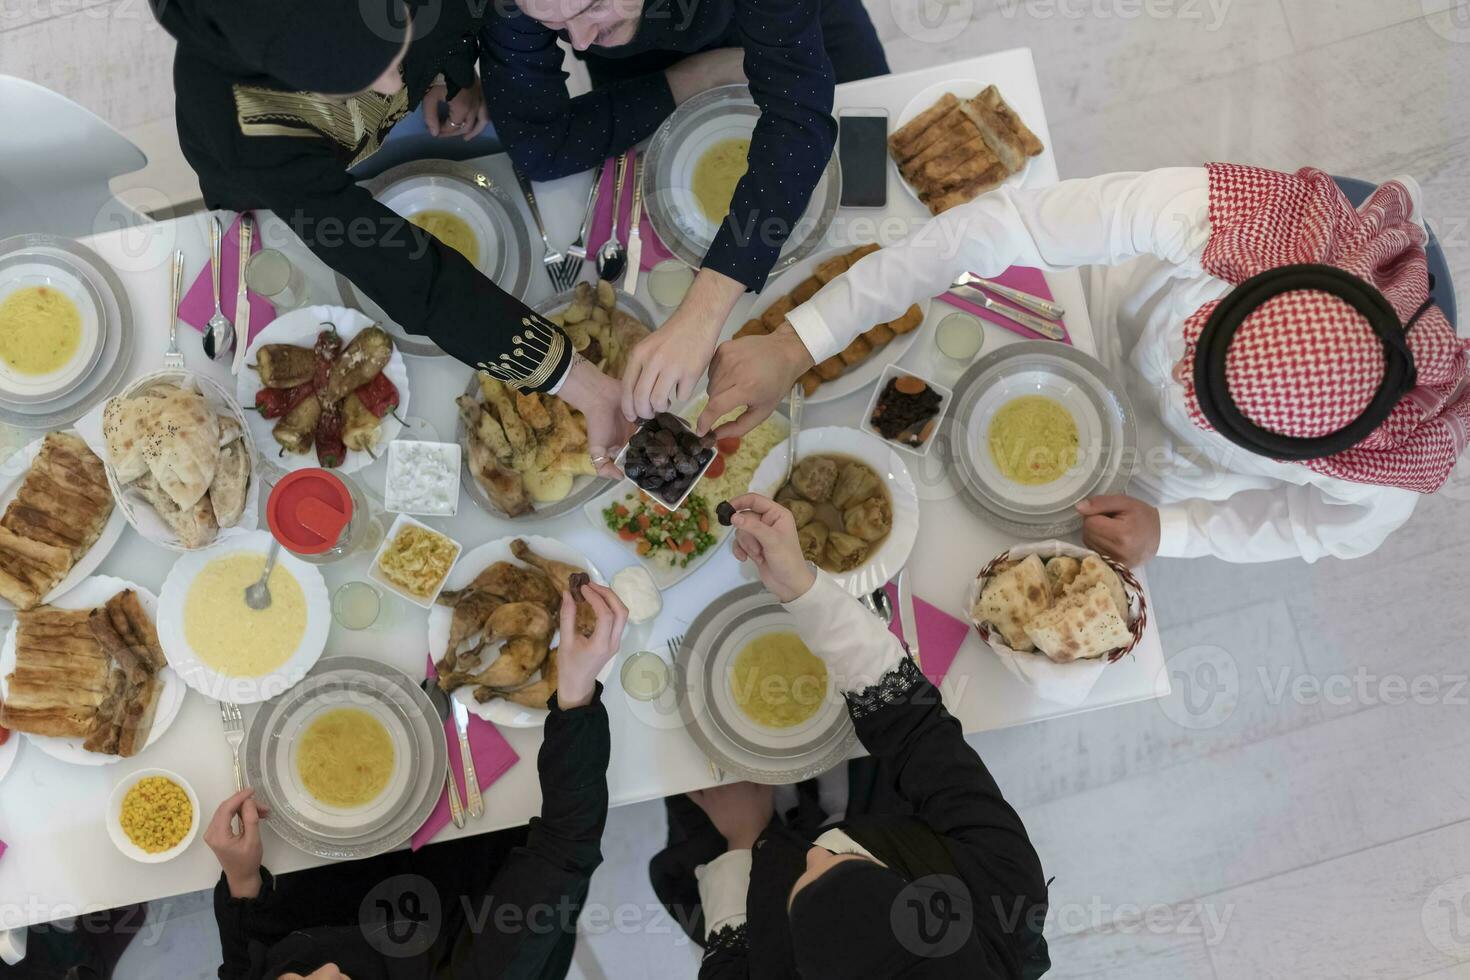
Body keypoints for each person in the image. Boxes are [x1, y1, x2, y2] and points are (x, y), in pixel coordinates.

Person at [700, 164, 1469, 565]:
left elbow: (1307, 528)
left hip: (1165, 476)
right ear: (1255, 282)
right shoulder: (1230, 219)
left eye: (1203, 398)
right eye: (1198, 351)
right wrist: (801, 339)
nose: (1179, 381)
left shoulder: (1380, 474)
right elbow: (1001, 227)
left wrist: (1176, 533)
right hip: (1097, 318)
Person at [149, 0, 629, 472]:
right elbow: (408, 274)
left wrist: (446, 70)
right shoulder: (242, 131)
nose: (393, 83)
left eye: (397, 46)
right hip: (279, 191)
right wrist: (580, 383)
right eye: (354, 80)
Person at [650, 493, 1051, 979]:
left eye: (806, 880)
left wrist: (744, 838)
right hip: (903, 823)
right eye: (853, 866)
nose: (816, 850)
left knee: (690, 769)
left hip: (753, 860)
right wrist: (802, 588)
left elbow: (733, 949)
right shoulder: (1006, 884)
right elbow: (915, 726)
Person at [479, 0, 889, 420]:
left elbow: (798, 123)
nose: (578, 39)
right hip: (650, 69)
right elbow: (540, 148)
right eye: (552, 23)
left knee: (876, 188)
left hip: (796, 31)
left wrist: (702, 312)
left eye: (593, 7)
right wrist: (694, 78)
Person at [203, 582, 629, 980]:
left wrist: (243, 884)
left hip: (322, 872)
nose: (314, 970)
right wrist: (576, 692)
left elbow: (245, 961)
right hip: (460, 873)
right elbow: (567, 846)